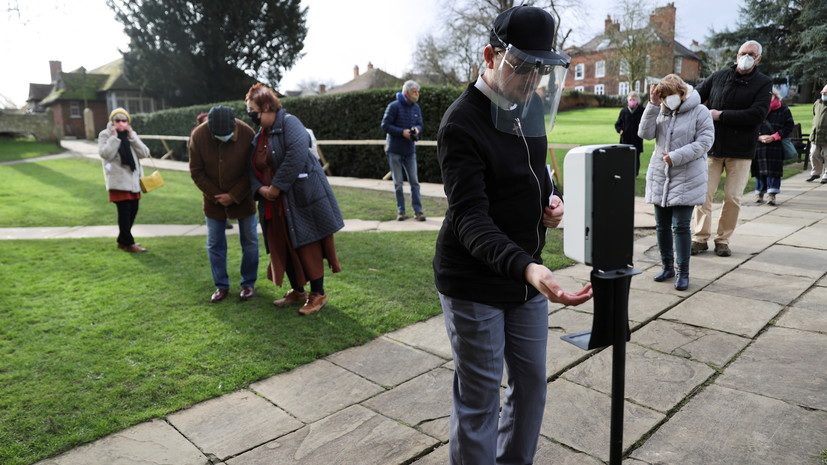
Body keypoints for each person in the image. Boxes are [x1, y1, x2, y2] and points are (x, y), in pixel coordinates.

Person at [433, 6, 593, 464]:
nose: (531, 81)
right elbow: (470, 218)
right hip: (475, 280)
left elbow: (534, 170)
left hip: (525, 280)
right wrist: (527, 266)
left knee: (531, 389)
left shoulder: (532, 106)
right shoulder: (461, 122)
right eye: (522, 66)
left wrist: (551, 199)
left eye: (540, 70)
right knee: (480, 399)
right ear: (490, 55)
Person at [246, 83, 344, 315]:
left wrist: (276, 188)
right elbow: (251, 168)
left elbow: (296, 155)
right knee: (283, 246)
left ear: (268, 107)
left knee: (308, 245)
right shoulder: (260, 135)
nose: (251, 116)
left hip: (300, 200)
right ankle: (297, 291)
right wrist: (261, 190)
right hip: (273, 204)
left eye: (254, 111)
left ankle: (318, 295)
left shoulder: (291, 123)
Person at [691, 40, 772, 257]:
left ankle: (723, 239)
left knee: (733, 198)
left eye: (751, 54)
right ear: (737, 55)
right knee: (703, 195)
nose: (746, 56)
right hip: (713, 146)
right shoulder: (719, 77)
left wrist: (721, 115)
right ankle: (699, 237)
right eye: (743, 52)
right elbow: (696, 95)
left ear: (758, 59)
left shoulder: (763, 83)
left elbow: (758, 114)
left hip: (741, 150)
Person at [638, 75, 714, 291]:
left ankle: (683, 272)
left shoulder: (700, 111)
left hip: (687, 176)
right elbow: (645, 134)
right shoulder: (660, 109)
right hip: (661, 175)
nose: (666, 100)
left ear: (681, 92)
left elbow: (705, 142)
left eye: (669, 95)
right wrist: (652, 106)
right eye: (662, 97)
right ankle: (667, 267)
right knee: (662, 226)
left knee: (680, 226)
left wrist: (676, 156)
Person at [189, 106, 259, 303]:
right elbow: (196, 171)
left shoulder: (246, 132)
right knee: (215, 244)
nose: (223, 137)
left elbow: (252, 170)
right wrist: (216, 195)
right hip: (214, 200)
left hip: (243, 198)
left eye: (227, 134)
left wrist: (234, 195)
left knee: (250, 241)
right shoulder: (199, 135)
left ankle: (248, 283)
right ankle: (221, 286)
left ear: (234, 126)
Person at [98, 107, 151, 253]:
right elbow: (105, 154)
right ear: (112, 121)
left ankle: (122, 241)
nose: (121, 123)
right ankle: (129, 243)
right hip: (118, 181)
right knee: (125, 213)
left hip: (133, 180)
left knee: (133, 211)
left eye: (124, 120)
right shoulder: (105, 134)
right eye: (117, 120)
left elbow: (145, 153)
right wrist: (114, 138)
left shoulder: (130, 134)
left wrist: (132, 137)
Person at [381, 80, 425, 221]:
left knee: (415, 182)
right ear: (406, 93)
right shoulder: (393, 106)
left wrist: (417, 129)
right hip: (394, 150)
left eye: (418, 92)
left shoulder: (416, 107)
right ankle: (401, 212)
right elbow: (385, 125)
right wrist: (402, 132)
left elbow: (420, 124)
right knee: (398, 184)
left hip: (410, 150)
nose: (417, 94)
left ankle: (418, 211)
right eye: (414, 92)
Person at [752, 89, 794, 205]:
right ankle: (759, 193)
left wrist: (775, 136)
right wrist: (759, 136)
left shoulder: (784, 110)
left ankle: (772, 195)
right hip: (759, 145)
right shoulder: (758, 109)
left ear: (775, 96)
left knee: (773, 171)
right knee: (759, 171)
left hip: (775, 145)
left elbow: (789, 126)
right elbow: (750, 125)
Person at [615, 91, 645, 176]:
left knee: (636, 157)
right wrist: (620, 130)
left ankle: (635, 174)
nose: (632, 101)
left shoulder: (642, 111)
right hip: (625, 139)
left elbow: (645, 123)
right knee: (625, 157)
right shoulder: (624, 111)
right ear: (628, 100)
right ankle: (625, 172)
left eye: (634, 99)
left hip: (637, 138)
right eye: (631, 99)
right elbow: (617, 124)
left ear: (637, 101)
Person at [806, 84, 827, 183]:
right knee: (813, 153)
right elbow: (814, 115)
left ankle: (826, 175)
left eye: (826, 93)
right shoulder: (817, 103)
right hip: (816, 134)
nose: (823, 94)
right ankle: (815, 173)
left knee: (826, 155)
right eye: (823, 93)